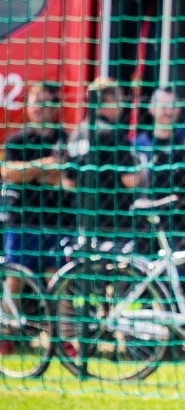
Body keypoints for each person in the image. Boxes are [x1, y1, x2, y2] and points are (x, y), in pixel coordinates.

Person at [1, 83, 75, 356]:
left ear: (55, 106)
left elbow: (65, 179)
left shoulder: (67, 140)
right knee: (15, 278)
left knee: (60, 280)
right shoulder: (17, 140)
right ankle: (6, 334)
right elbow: (9, 173)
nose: (39, 108)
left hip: (58, 221)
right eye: (35, 102)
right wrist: (42, 166)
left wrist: (31, 173)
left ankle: (64, 340)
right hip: (23, 221)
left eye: (45, 102)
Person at [66, 77, 142, 245]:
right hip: (114, 224)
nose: (122, 106)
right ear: (110, 99)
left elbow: (68, 182)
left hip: (84, 221)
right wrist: (141, 167)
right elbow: (131, 180)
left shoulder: (77, 133)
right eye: (120, 100)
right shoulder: (113, 134)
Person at [133, 87, 185, 256]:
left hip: (177, 225)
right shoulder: (138, 146)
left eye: (172, 106)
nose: (168, 112)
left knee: (177, 270)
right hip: (143, 223)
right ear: (152, 108)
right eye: (163, 106)